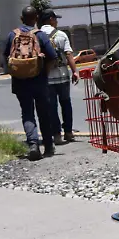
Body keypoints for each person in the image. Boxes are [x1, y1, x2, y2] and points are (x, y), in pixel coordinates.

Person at [3, 6, 60, 160]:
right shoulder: (40, 35)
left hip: (20, 82)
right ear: (36, 19)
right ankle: (48, 146)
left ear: (22, 19)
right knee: (44, 113)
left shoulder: (12, 35)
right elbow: (53, 56)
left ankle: (33, 145)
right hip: (39, 81)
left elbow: (5, 60)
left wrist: (17, 72)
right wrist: (45, 73)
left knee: (27, 113)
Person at [38, 9, 79, 145]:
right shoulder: (61, 35)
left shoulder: (37, 35)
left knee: (51, 107)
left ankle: (56, 135)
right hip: (62, 75)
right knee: (66, 103)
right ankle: (68, 132)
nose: (56, 21)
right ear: (50, 19)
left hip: (46, 77)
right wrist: (75, 71)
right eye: (55, 19)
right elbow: (68, 54)